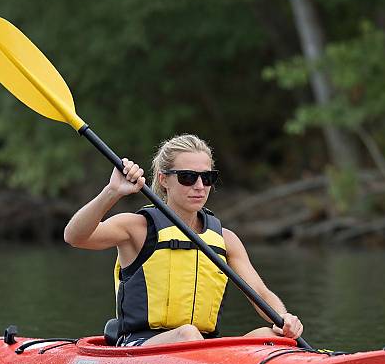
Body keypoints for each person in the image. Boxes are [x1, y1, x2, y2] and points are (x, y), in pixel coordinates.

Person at [64, 134, 303, 347]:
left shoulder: (225, 239)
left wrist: (284, 319)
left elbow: (259, 292)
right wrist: (112, 192)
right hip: (140, 346)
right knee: (187, 334)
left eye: (207, 177)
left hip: (202, 347)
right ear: (164, 179)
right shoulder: (137, 228)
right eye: (188, 177)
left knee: (272, 336)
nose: (200, 186)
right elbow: (74, 236)